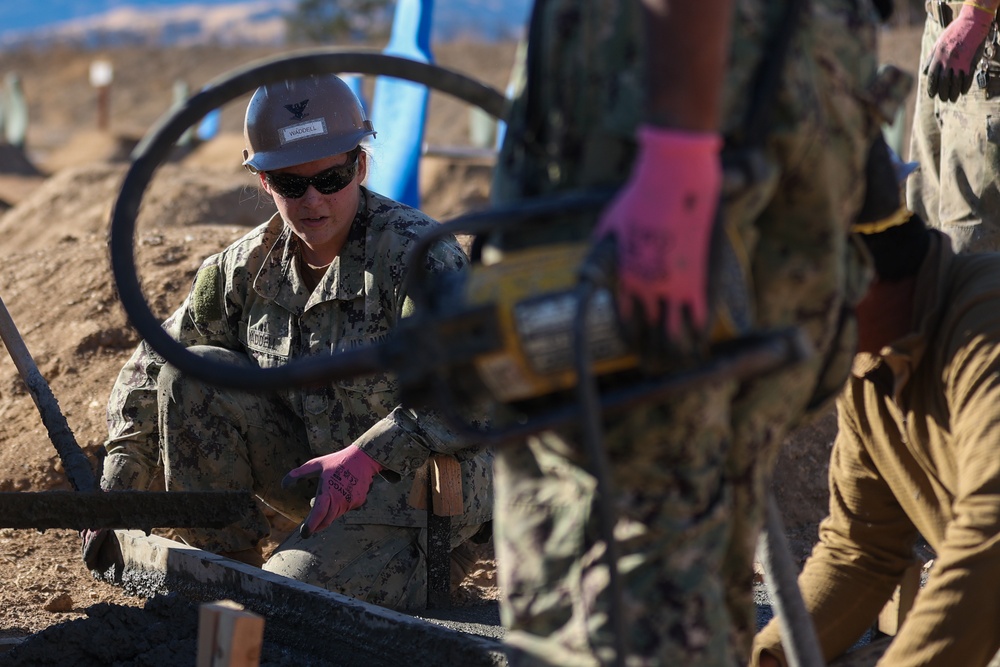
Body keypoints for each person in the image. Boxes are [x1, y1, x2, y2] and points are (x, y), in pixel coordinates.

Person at [488, 1, 897, 665]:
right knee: (695, 536)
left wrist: (675, 154)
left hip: (662, 76)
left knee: (618, 547)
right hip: (743, 64)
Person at [88, 73, 493, 611]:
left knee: (281, 610)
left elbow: (473, 391)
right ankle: (220, 567)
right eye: (290, 184)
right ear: (265, 183)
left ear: (361, 166)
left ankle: (389, 574)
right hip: (317, 483)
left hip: (416, 497)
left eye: (331, 178)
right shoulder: (244, 267)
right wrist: (117, 487)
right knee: (192, 372)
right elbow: (154, 365)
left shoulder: (420, 258)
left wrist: (370, 456)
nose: (313, 201)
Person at [751, 136, 1000, 667]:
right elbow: (859, 550)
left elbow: (992, 536)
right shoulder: (870, 364)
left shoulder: (986, 324)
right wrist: (771, 658)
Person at [906, 0, 1000, 252]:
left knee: (970, 245)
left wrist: (975, 15)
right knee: (923, 229)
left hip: (984, 42)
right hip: (942, 32)